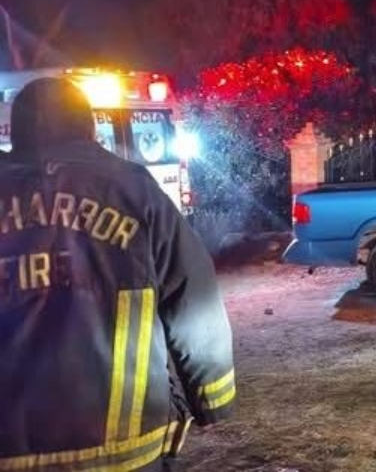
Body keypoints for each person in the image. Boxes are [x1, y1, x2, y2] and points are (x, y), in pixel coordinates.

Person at [0, 77, 236, 471]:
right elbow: (193, 296)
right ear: (90, 128)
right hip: (126, 447)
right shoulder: (136, 191)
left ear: (13, 132)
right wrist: (212, 398)